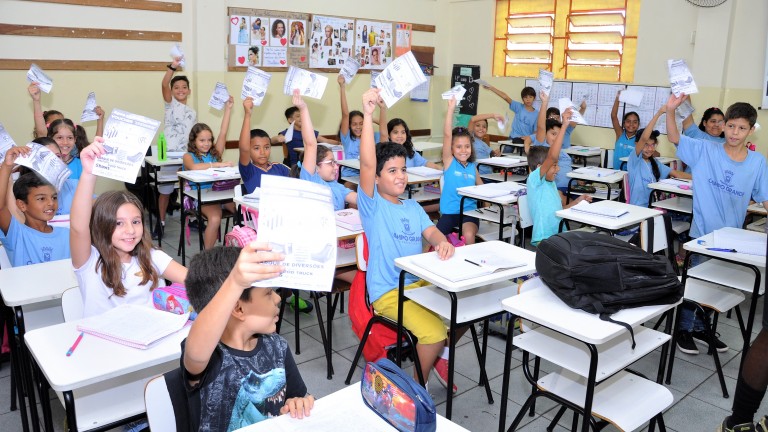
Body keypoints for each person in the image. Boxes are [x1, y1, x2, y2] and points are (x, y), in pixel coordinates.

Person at [358, 87, 463, 392]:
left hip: (417, 285)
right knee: (433, 332)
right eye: (392, 171)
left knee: (466, 312)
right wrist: (367, 115)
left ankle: (435, 354)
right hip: (388, 293)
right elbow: (366, 163)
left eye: (403, 169)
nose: (401, 176)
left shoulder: (413, 206)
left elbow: (431, 232)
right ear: (376, 179)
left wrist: (442, 241)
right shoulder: (373, 205)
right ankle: (415, 388)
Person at [665, 94, 768, 359]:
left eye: (742, 128)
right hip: (703, 235)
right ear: (724, 126)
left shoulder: (757, 163)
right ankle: (683, 330)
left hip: (731, 239)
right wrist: (670, 110)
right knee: (697, 282)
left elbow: (765, 198)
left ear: (751, 131)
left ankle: (700, 327)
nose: (735, 132)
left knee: (717, 286)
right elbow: (675, 137)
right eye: (731, 126)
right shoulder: (705, 150)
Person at [182, 245, 313, 431]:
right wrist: (235, 282)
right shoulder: (211, 357)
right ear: (238, 309)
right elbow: (195, 354)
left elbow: (297, 396)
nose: (278, 298)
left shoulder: (277, 345)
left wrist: (297, 403)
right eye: (268, 293)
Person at [70, 139, 187, 318]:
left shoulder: (152, 256)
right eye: (119, 223)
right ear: (102, 225)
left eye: (136, 221)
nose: (130, 230)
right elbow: (78, 228)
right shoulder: (90, 262)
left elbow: (193, 280)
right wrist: (88, 173)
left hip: (152, 336)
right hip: (105, 341)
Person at [526, 108, 590, 246]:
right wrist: (564, 126)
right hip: (545, 239)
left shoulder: (551, 183)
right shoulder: (535, 180)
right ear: (539, 168)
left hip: (559, 234)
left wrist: (578, 201)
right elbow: (552, 156)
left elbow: (560, 211)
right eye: (554, 165)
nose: (558, 168)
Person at [0, 146, 70, 267]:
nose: (50, 203)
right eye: (41, 198)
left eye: (54, 197)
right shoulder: (16, 234)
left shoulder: (67, 234)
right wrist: (7, 166)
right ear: (22, 205)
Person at [182, 98, 236, 250]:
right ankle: (207, 256)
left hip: (219, 193)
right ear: (193, 141)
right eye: (202, 140)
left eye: (209, 140)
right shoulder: (188, 156)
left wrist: (228, 109)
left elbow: (223, 132)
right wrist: (216, 164)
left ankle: (239, 246)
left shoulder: (214, 152)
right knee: (215, 218)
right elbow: (193, 167)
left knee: (242, 211)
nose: (206, 143)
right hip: (200, 197)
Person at [291, 90, 356, 211]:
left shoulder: (336, 186)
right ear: (315, 167)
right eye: (331, 163)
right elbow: (310, 144)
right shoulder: (311, 182)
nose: (336, 167)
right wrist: (303, 109)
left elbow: (358, 199)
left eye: (335, 162)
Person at [159, 56, 196, 239]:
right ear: (172, 92)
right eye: (176, 87)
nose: (180, 90)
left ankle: (193, 218)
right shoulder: (170, 105)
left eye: (184, 87)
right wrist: (172, 67)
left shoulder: (192, 112)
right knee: (165, 190)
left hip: (186, 155)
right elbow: (164, 83)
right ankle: (161, 221)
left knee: (189, 188)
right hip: (169, 153)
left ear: (189, 90)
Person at [436, 97, 481, 245]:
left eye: (467, 146)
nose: (463, 150)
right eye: (459, 147)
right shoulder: (450, 162)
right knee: (434, 238)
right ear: (451, 149)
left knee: (468, 235)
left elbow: (483, 190)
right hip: (450, 213)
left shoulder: (472, 167)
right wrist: (450, 109)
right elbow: (448, 135)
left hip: (469, 213)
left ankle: (470, 266)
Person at [627, 106, 690, 208]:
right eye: (646, 145)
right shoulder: (635, 160)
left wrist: (699, 178)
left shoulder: (655, 163)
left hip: (652, 207)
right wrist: (659, 113)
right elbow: (644, 138)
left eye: (653, 145)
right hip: (636, 208)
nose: (650, 149)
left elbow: (676, 173)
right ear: (637, 144)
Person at [526, 92, 587, 193]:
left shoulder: (562, 151)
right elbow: (541, 127)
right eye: (553, 134)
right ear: (545, 134)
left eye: (559, 135)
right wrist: (545, 102)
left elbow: (566, 170)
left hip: (572, 188)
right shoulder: (542, 146)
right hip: (556, 190)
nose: (557, 138)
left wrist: (577, 179)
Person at [238, 97, 290, 194]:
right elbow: (244, 149)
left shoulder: (279, 167)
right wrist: (247, 115)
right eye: (256, 148)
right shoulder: (248, 170)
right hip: (257, 208)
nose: (262, 152)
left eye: (266, 147)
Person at [338, 74, 385, 181]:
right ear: (349, 126)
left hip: (368, 175)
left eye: (361, 123)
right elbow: (345, 114)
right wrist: (342, 87)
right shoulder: (347, 139)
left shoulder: (372, 137)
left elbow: (384, 128)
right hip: (350, 176)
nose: (358, 127)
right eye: (354, 124)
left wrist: (370, 117)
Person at [273, 105, 338, 167]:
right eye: (298, 116)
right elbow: (272, 140)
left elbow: (326, 141)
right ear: (290, 120)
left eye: (302, 115)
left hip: (311, 162)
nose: (301, 117)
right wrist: (278, 138)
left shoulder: (310, 132)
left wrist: (340, 143)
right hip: (295, 165)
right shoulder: (288, 133)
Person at [481, 84, 538, 148]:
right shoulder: (518, 107)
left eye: (530, 97)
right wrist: (491, 88)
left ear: (534, 98)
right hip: (513, 138)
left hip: (526, 140)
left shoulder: (537, 114)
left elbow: (536, 131)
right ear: (522, 99)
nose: (528, 99)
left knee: (526, 157)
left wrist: (529, 138)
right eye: (525, 97)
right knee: (505, 155)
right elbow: (505, 97)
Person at [611, 90, 640, 170]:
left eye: (634, 122)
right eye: (628, 121)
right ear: (623, 123)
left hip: (630, 175)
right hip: (616, 174)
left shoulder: (640, 139)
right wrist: (618, 98)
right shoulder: (620, 134)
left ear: (638, 125)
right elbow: (613, 116)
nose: (631, 124)